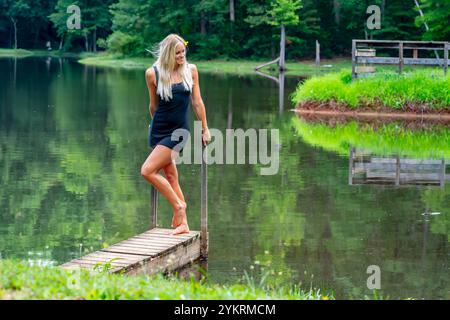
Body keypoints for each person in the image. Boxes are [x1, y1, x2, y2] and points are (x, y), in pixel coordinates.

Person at [141, 34, 210, 235]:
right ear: (168, 54)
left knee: (147, 170)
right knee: (170, 175)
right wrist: (153, 125)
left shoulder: (191, 71)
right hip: (159, 128)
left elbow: (197, 102)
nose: (182, 55)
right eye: (177, 52)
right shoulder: (152, 74)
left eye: (183, 51)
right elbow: (153, 105)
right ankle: (184, 224)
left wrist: (205, 128)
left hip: (179, 132)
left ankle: (179, 206)